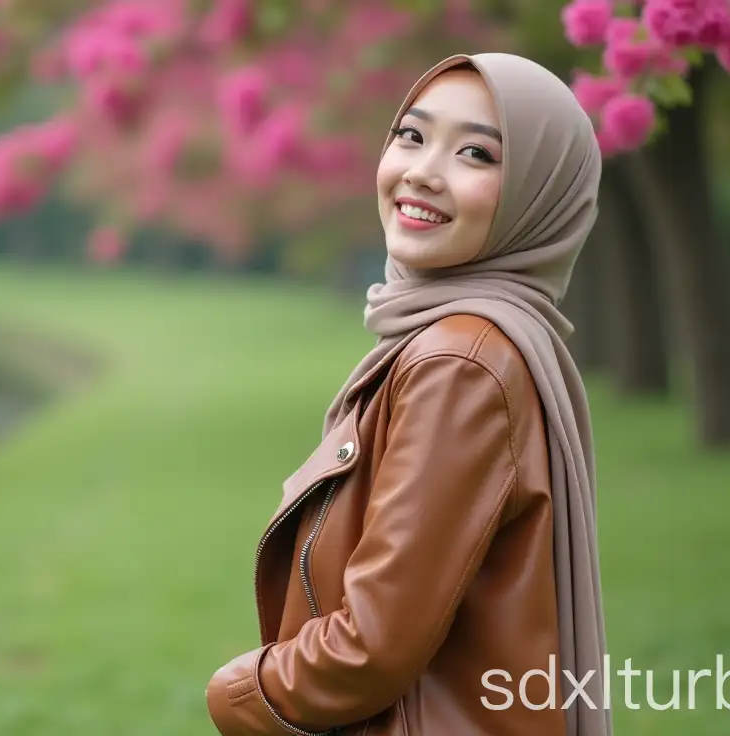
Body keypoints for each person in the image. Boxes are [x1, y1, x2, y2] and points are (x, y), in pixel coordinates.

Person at [205, 52, 611, 736]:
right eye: (412, 136)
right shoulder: (472, 342)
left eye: (477, 154)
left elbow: (371, 646)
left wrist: (238, 692)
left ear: (538, 196)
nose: (423, 171)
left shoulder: (460, 362)